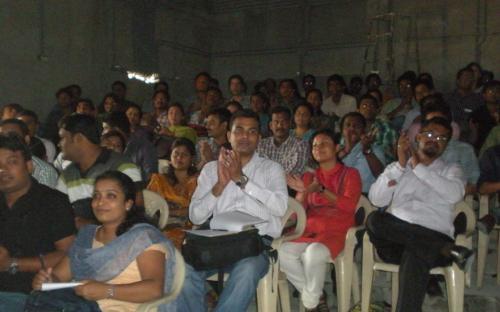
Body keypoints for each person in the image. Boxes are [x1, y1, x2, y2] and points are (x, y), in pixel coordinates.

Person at [177, 109, 287, 311]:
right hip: (217, 242)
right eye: (239, 130)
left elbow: (280, 208)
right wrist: (219, 185)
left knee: (247, 270)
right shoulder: (211, 169)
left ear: (259, 138)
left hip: (254, 245)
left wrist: (241, 180)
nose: (245, 136)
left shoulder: (272, 169)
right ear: (229, 135)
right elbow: (195, 215)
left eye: (252, 131)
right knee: (182, 268)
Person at [26, 171, 178, 312]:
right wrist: (48, 280)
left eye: (110, 196)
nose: (100, 202)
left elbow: (154, 289)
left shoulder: (143, 237)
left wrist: (107, 291)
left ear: (128, 204)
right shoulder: (87, 235)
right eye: (96, 196)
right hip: (76, 306)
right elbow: (60, 276)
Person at [367, 117, 473, 312]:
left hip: (433, 235)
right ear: (419, 137)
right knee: (375, 219)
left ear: (446, 145)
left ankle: (438, 247)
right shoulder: (397, 167)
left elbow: (454, 193)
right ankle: (445, 248)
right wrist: (400, 166)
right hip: (395, 242)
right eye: (430, 134)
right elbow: (376, 199)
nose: (435, 140)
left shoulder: (451, 169)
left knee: (415, 253)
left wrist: (417, 166)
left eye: (442, 138)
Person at [282, 130, 362, 311]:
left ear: (337, 148)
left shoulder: (350, 173)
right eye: (315, 145)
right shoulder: (309, 176)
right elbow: (296, 215)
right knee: (283, 251)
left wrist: (321, 190)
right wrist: (303, 191)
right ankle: (316, 298)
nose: (318, 148)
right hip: (309, 229)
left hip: (338, 231)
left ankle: (311, 303)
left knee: (313, 253)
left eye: (324, 143)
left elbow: (349, 206)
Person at [0, 134, 75, 298]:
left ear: (29, 166)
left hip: (28, 293)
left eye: (11, 162)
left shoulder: (53, 202)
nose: (2, 169)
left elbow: (69, 254)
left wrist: (12, 264)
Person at [56, 114, 142, 227]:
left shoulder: (122, 167)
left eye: (62, 138)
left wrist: (92, 227)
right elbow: (58, 214)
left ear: (78, 138)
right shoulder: (67, 174)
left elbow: (137, 215)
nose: (59, 144)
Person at [148, 138, 198, 232]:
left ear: (192, 159)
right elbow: (149, 206)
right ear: (170, 156)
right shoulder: (159, 180)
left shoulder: (198, 181)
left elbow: (199, 209)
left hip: (189, 229)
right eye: (176, 153)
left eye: (184, 154)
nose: (179, 158)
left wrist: (171, 212)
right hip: (160, 227)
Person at [0, 119, 58, 188]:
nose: (7, 141)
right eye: (2, 136)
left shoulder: (44, 172)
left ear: (27, 140)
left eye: (13, 136)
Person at [103, 112, 158, 181]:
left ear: (117, 129)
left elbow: (151, 177)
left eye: (105, 128)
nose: (103, 132)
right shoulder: (106, 148)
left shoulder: (145, 147)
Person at [338, 112, 385, 193]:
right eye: (348, 125)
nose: (352, 129)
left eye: (357, 126)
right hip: (340, 196)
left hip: (365, 198)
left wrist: (367, 150)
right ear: (342, 130)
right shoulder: (336, 151)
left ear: (364, 130)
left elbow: (381, 176)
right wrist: (347, 150)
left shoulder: (375, 149)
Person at [258, 106, 309, 177]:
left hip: (288, 187)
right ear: (270, 125)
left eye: (283, 122)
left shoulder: (301, 145)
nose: (280, 126)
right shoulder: (261, 145)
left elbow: (295, 172)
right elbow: (258, 169)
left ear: (290, 124)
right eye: (276, 122)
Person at [445, 67, 484, 141]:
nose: (468, 80)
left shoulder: (478, 100)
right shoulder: (446, 98)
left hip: (470, 136)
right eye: (465, 77)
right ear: (458, 80)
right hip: (450, 135)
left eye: (470, 78)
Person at [357, 94, 398, 163]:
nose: (368, 108)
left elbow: (395, 152)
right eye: (364, 106)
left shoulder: (386, 127)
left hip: (384, 168)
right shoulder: (352, 129)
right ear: (358, 110)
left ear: (377, 110)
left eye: (372, 106)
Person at [470, 80, 500, 152]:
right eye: (490, 91)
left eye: (497, 91)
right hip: (483, 148)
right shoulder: (478, 113)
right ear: (484, 94)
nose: (494, 94)